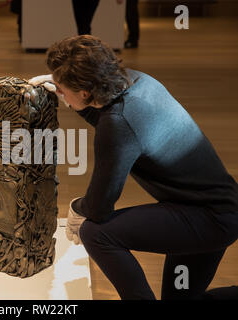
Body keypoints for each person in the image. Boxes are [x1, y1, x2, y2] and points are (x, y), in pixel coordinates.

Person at [29, 35, 238, 300]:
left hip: (208, 219)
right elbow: (115, 119)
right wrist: (67, 96)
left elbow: (99, 208)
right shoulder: (137, 81)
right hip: (218, 207)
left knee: (95, 232)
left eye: (60, 86)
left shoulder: (117, 124)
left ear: (85, 92)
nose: (57, 89)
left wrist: (77, 208)